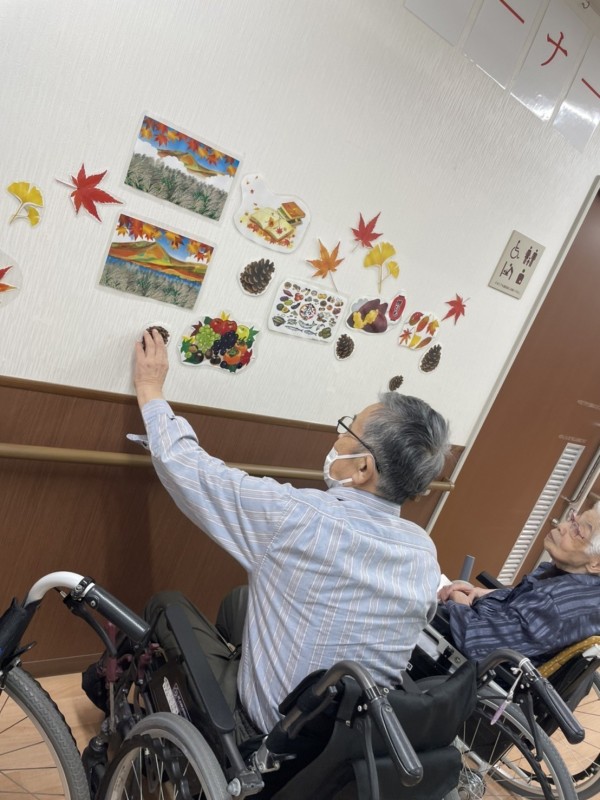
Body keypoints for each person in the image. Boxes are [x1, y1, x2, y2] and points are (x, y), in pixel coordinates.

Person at [131, 328, 450, 733]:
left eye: (348, 431)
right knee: (239, 602)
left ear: (363, 467)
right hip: (350, 735)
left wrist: (149, 388)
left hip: (270, 732)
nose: (338, 437)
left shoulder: (296, 516)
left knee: (166, 604)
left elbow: (188, 468)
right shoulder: (423, 552)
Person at [438, 502, 600, 664]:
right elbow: (527, 604)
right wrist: (483, 592)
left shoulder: (553, 604)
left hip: (465, 660)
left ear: (596, 564)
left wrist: (457, 599)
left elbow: (474, 641)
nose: (561, 526)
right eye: (572, 519)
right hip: (488, 625)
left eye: (577, 531)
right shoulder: (585, 587)